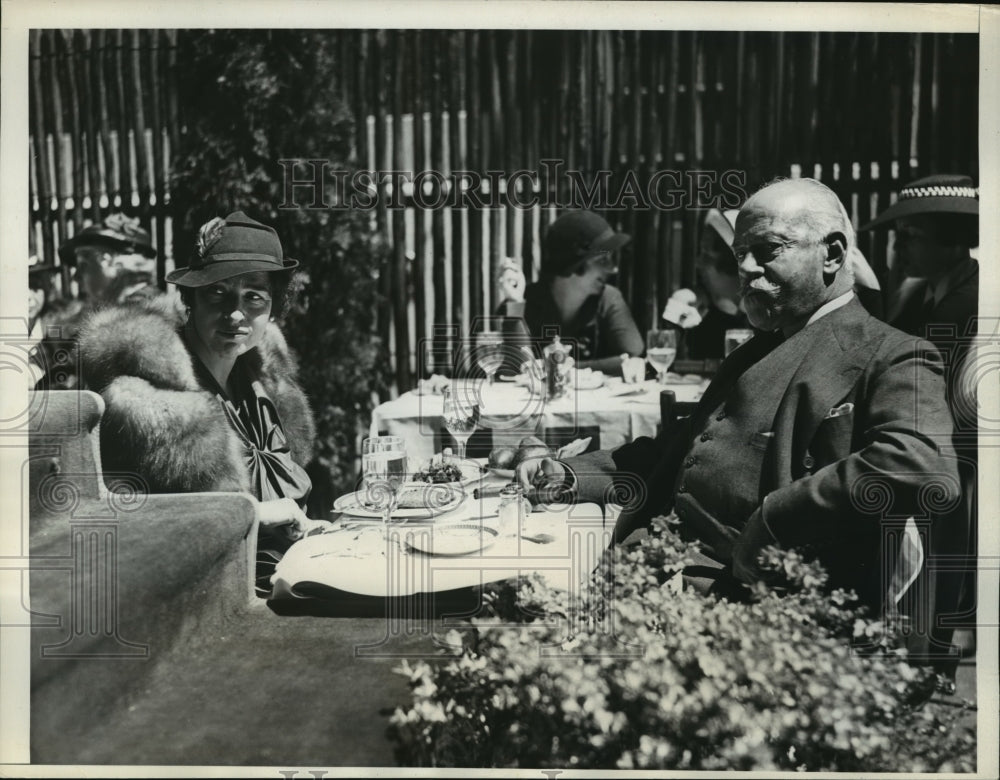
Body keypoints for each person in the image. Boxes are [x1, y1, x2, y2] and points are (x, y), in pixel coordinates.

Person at [519, 178, 962, 671]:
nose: (746, 269)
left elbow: (921, 466)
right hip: (651, 577)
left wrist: (775, 518)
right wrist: (571, 474)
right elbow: (674, 451)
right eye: (741, 254)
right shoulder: (756, 348)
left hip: (756, 615)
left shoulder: (894, 354)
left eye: (767, 251)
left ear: (832, 254)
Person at [78, 211, 324, 594]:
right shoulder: (144, 400)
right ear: (190, 299)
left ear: (273, 308)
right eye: (217, 293)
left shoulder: (262, 382)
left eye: (254, 296)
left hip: (282, 580)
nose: (236, 314)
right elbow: (114, 513)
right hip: (195, 597)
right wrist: (253, 513)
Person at [862, 173, 979, 656]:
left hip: (955, 449)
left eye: (910, 237)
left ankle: (937, 650)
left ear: (952, 243)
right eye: (896, 236)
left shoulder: (969, 300)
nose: (899, 247)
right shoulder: (921, 291)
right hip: (928, 436)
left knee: (943, 559)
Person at [500, 210, 644, 375]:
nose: (613, 269)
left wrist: (561, 368)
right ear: (573, 266)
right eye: (602, 260)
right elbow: (517, 369)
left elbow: (634, 359)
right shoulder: (523, 302)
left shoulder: (608, 298)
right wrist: (514, 304)